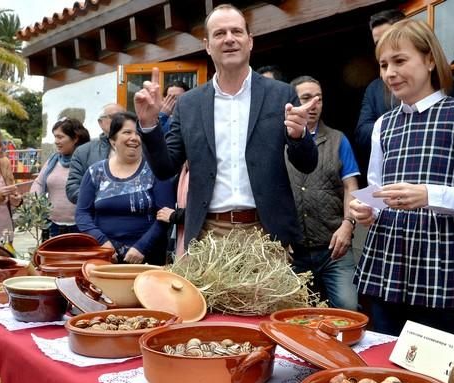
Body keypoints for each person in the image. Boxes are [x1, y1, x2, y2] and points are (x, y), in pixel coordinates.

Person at [350, 19, 454, 336]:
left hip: (439, 259)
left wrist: (428, 195)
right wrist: (366, 209)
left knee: (430, 362)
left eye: (400, 60)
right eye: (384, 64)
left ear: (430, 60)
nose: (389, 73)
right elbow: (377, 192)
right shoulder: (383, 124)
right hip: (388, 256)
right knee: (383, 350)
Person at [134, 3, 317, 252]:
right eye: (220, 34)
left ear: (250, 41)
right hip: (208, 233)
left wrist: (299, 135)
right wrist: (148, 124)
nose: (229, 39)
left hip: (266, 232)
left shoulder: (281, 94)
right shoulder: (189, 104)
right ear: (207, 45)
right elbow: (166, 169)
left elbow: (307, 164)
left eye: (236, 32)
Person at [287, 75, 360, 310]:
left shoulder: (339, 140)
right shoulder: (279, 142)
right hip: (292, 252)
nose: (314, 104)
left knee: (348, 309)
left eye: (318, 99)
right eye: (306, 98)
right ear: (292, 103)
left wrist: (348, 224)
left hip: (333, 250)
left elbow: (352, 187)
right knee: (294, 320)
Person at [75, 112, 174, 265]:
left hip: (147, 257)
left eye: (138, 133)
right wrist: (102, 243)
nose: (134, 138)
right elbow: (82, 214)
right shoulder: (95, 172)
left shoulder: (156, 170)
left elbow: (165, 215)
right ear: (113, 140)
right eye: (127, 132)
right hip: (104, 256)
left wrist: (142, 247)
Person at [354, 9, 405, 187]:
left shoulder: (432, 79)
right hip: (388, 178)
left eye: (388, 38)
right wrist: (398, 126)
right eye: (378, 42)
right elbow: (361, 133)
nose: (383, 46)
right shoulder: (374, 88)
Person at [31, 118, 90, 239]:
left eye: (60, 137)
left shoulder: (87, 161)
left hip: (81, 226)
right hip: (52, 226)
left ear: (75, 138)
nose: (56, 141)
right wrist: (35, 205)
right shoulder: (53, 160)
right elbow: (39, 183)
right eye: (55, 137)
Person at [65, 103, 125, 204]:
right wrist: (101, 201)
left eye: (124, 117)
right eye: (114, 117)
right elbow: (73, 188)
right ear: (101, 122)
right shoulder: (83, 152)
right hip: (97, 215)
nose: (120, 121)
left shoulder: (139, 147)